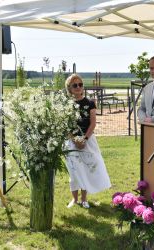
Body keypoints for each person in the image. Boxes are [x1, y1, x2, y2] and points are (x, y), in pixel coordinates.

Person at [64, 74, 111, 209]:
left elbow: (93, 123)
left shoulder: (90, 103)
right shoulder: (67, 105)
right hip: (71, 142)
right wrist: (75, 139)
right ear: (69, 88)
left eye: (80, 84)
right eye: (75, 85)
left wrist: (84, 139)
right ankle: (74, 199)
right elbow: (65, 125)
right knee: (74, 171)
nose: (78, 87)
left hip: (88, 140)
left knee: (85, 169)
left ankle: (84, 199)